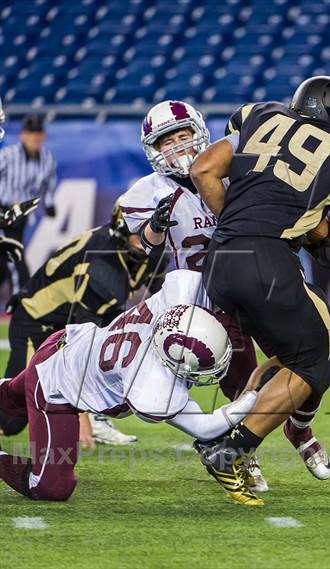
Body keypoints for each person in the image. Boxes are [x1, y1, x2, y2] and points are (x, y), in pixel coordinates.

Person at [190, 75, 330, 505]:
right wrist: (316, 231)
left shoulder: (258, 115)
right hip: (268, 260)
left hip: (219, 261)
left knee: (286, 357)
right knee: (315, 358)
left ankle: (231, 430)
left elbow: (202, 168)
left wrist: (236, 224)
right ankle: (230, 450)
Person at [0, 270, 258, 501]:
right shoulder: (149, 382)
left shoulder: (177, 303)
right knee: (51, 488)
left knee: (10, 397)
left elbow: (191, 280)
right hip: (55, 386)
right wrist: (254, 397)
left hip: (68, 343)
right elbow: (205, 427)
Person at [120, 100, 267, 490]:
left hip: (240, 287)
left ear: (200, 134)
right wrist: (154, 226)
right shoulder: (147, 192)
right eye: (167, 141)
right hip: (189, 299)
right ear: (154, 150)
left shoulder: (230, 173)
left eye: (183, 136)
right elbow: (140, 247)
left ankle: (249, 448)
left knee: (259, 372)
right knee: (163, 384)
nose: (178, 146)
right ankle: (224, 446)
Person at [0, 200, 167, 445]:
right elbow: (82, 340)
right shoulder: (102, 262)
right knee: (12, 417)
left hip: (72, 320)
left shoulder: (150, 251)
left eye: (150, 228)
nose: (144, 237)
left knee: (128, 343)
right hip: (37, 323)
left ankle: (100, 413)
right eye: (138, 230)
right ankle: (92, 415)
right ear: (122, 227)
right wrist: (82, 417)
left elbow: (162, 295)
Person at [0, 114, 57, 291]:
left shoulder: (47, 159)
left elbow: (48, 184)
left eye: (38, 132)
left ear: (44, 136)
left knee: (4, 264)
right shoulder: (8, 156)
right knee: (14, 258)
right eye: (31, 132)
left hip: (21, 216)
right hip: (3, 211)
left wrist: (49, 204)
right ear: (22, 135)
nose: (35, 136)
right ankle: (21, 306)